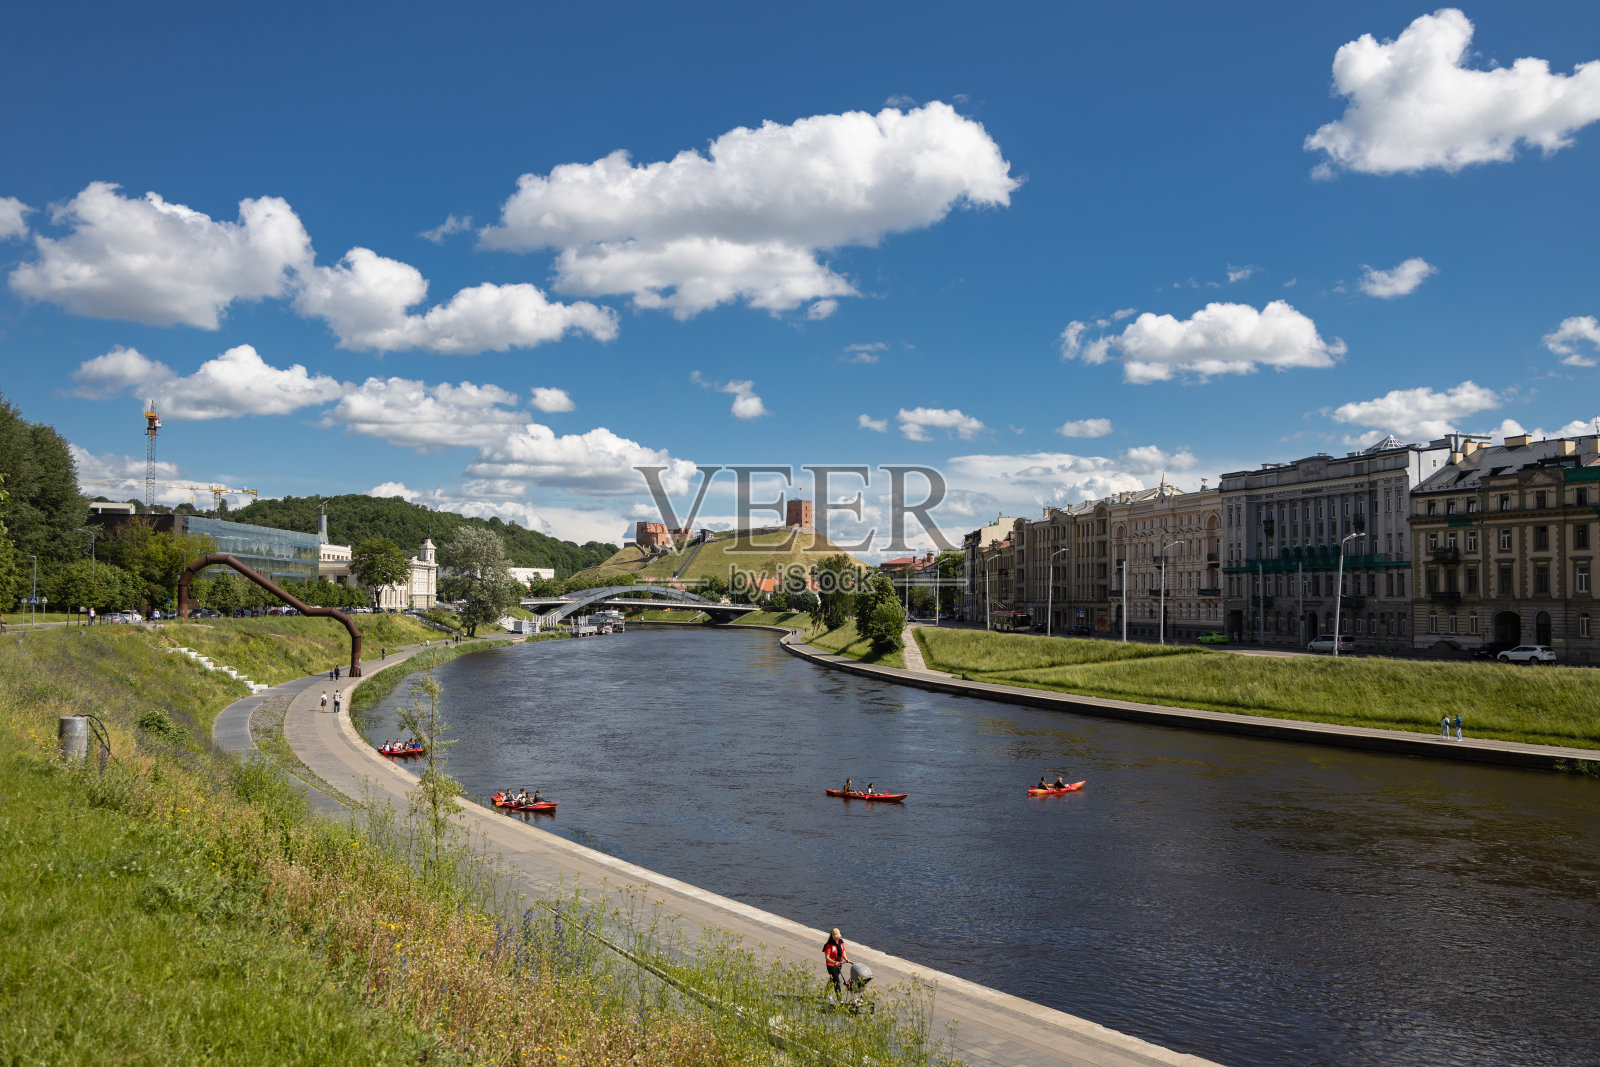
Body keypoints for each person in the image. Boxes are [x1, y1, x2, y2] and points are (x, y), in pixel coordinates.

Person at [822, 928, 850, 1002]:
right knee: (837, 981)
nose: (838, 938)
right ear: (833, 936)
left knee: (832, 980)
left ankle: (826, 993)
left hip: (839, 965)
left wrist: (846, 959)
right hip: (831, 966)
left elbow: (843, 952)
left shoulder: (841, 942)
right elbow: (827, 958)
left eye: (838, 937)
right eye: (836, 937)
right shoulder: (829, 945)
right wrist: (834, 962)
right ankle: (840, 1000)